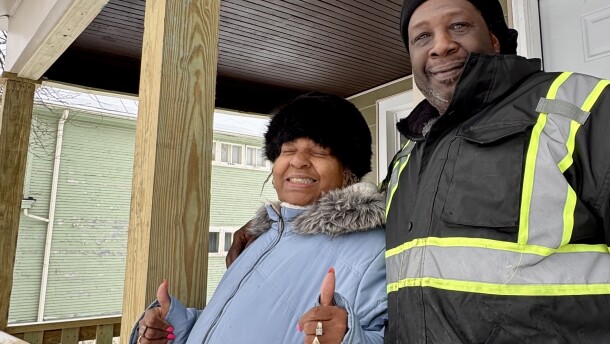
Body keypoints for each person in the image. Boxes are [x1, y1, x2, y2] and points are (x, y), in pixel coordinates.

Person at [230, 0, 610, 342]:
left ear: (495, 39)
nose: (440, 44)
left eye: (458, 26)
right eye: (421, 36)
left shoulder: (578, 107)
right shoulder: (409, 157)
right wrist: (268, 231)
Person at [131, 92, 388, 344]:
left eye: (319, 152)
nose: (298, 161)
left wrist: (347, 338)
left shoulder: (375, 249)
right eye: (287, 149)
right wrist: (176, 329)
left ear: (348, 169)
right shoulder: (263, 237)